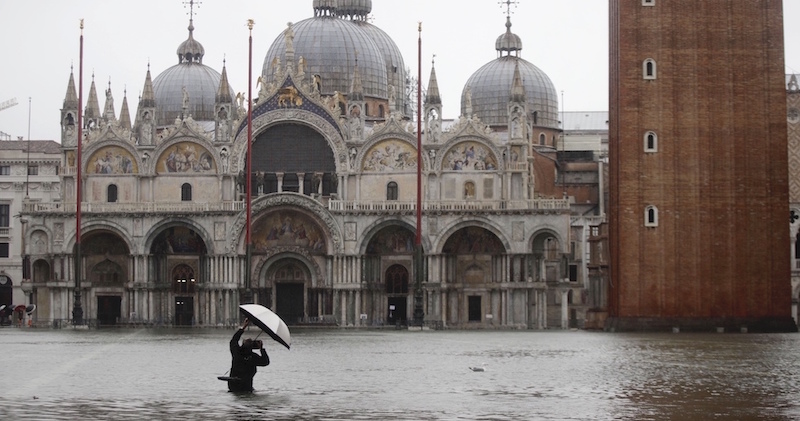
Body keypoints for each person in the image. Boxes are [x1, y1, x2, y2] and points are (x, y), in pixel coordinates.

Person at [228, 318, 269, 393]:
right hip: (246, 386)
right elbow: (265, 362)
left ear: (242, 344)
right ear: (252, 347)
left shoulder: (236, 352)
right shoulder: (253, 357)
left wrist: (243, 327)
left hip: (233, 385)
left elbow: (233, 340)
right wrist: (261, 349)